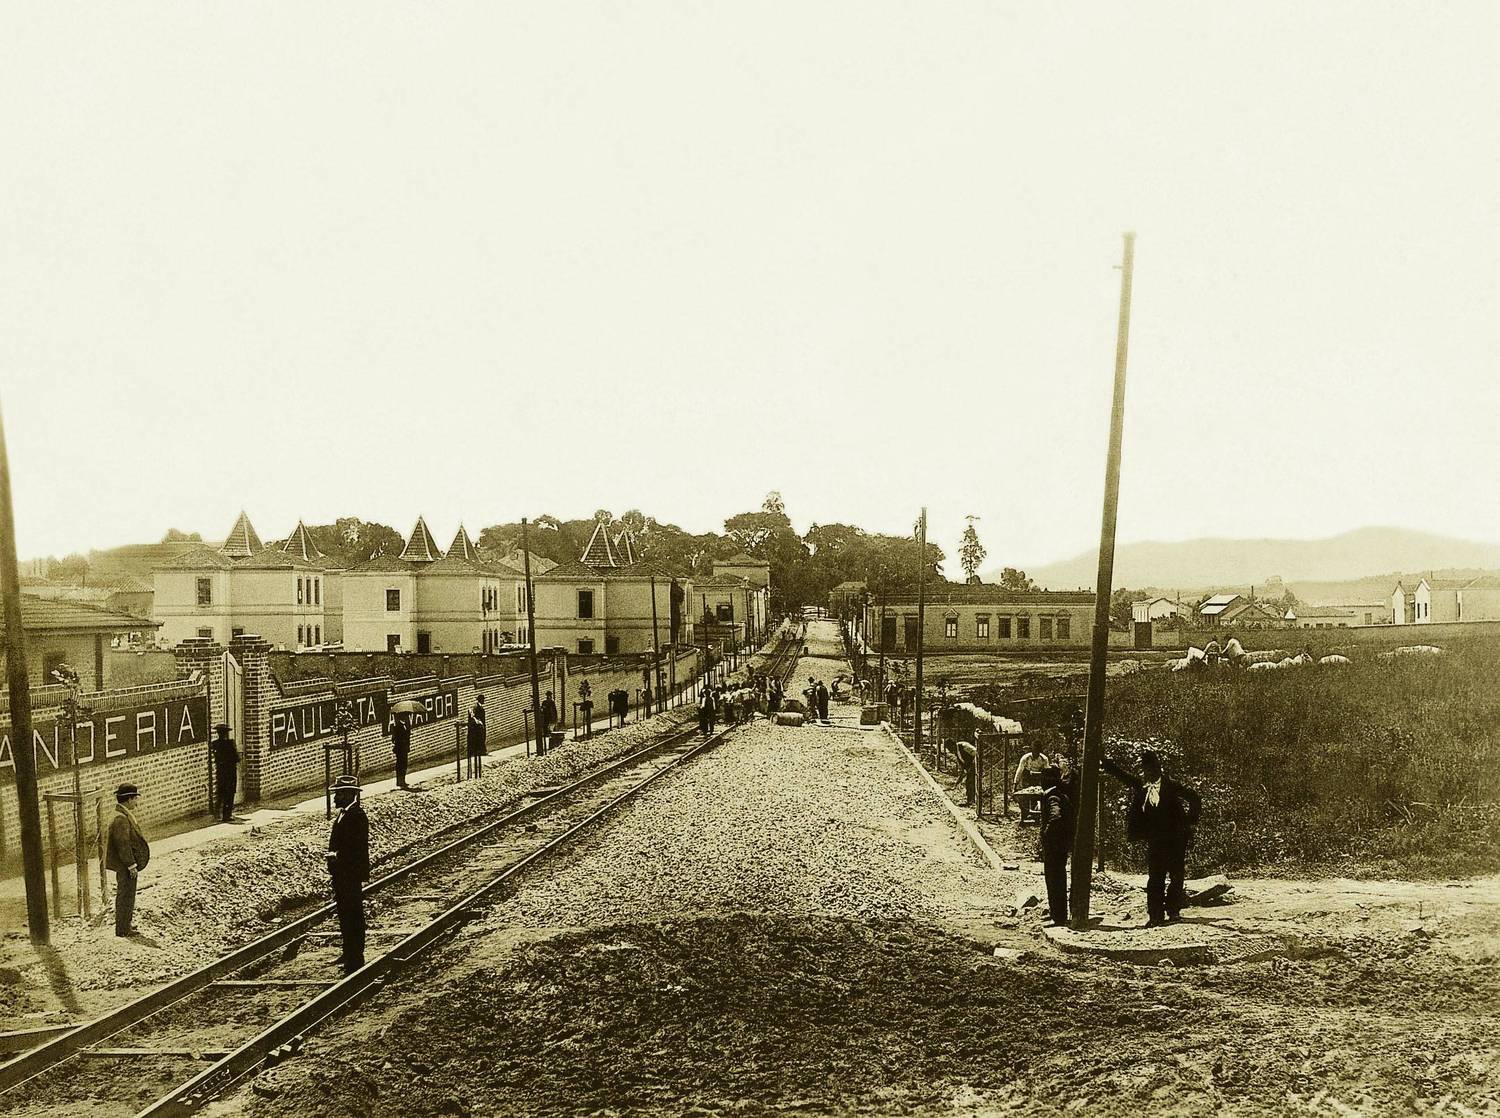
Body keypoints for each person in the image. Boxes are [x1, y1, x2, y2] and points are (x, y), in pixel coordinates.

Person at [1101, 748, 1202, 926]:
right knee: (1155, 877)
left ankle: (1173, 910)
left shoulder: (1171, 785)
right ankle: (1155, 916)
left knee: (1176, 876)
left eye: (1151, 770)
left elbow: (1194, 798)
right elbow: (1124, 776)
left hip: (1176, 839)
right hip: (1156, 840)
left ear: (1158, 769)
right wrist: (1105, 762)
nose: (1148, 773)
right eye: (1145, 770)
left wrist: (1188, 821)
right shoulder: (1142, 786)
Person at [326, 774, 370, 975]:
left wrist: (337, 855)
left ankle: (356, 957)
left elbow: (356, 847)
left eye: (338, 794)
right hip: (341, 874)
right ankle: (348, 952)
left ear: (349, 795)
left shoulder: (357, 816)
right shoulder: (343, 814)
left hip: (350, 873)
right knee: (344, 914)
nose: (335, 798)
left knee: (353, 914)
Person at [106, 783, 150, 937]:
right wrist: (131, 865)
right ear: (129, 800)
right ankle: (123, 929)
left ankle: (125, 925)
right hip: (125, 865)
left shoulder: (122, 814)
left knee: (127, 893)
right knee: (126, 894)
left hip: (126, 865)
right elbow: (122, 844)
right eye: (135, 799)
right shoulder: (121, 818)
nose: (137, 803)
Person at [1037, 766, 1074, 926]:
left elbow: (1055, 817)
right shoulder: (1059, 794)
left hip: (1054, 846)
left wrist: (1046, 835)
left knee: (1054, 880)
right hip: (1060, 844)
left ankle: (1058, 917)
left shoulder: (1052, 797)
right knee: (1057, 879)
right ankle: (1057, 914)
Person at [1013, 745, 1051, 822]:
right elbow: (1019, 771)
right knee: (1024, 796)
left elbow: (1047, 772)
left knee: (1037, 796)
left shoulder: (1044, 759)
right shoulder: (1026, 758)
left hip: (1039, 777)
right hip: (1027, 777)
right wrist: (1015, 784)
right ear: (1032, 751)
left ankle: (1036, 814)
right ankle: (1025, 813)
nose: (1036, 754)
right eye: (1034, 752)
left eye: (1037, 752)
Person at [211, 724, 239, 822]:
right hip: (230, 771)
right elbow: (236, 758)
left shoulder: (214, 744)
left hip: (220, 771)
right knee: (230, 793)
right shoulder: (230, 743)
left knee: (220, 792)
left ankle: (217, 813)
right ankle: (227, 815)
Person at [948, 737, 977, 807]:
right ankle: (970, 801)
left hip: (976, 765)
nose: (951, 751)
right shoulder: (957, 753)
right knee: (968, 782)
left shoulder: (964, 745)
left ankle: (973, 801)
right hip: (969, 768)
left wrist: (972, 765)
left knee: (971, 782)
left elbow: (977, 753)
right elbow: (962, 768)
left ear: (953, 745)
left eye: (950, 748)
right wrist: (958, 781)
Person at [467, 694, 488, 776]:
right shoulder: (476, 707)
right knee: (479, 738)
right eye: (483, 699)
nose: (484, 701)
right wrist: (479, 722)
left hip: (481, 725)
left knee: (482, 737)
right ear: (480, 700)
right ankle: (480, 751)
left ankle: (482, 750)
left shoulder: (480, 707)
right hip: (478, 726)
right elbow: (474, 716)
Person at [391, 713, 412, 789]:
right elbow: (395, 739)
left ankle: (402, 781)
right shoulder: (398, 727)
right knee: (401, 765)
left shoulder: (403, 726)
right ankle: (400, 781)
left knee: (403, 765)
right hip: (401, 749)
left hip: (403, 749)